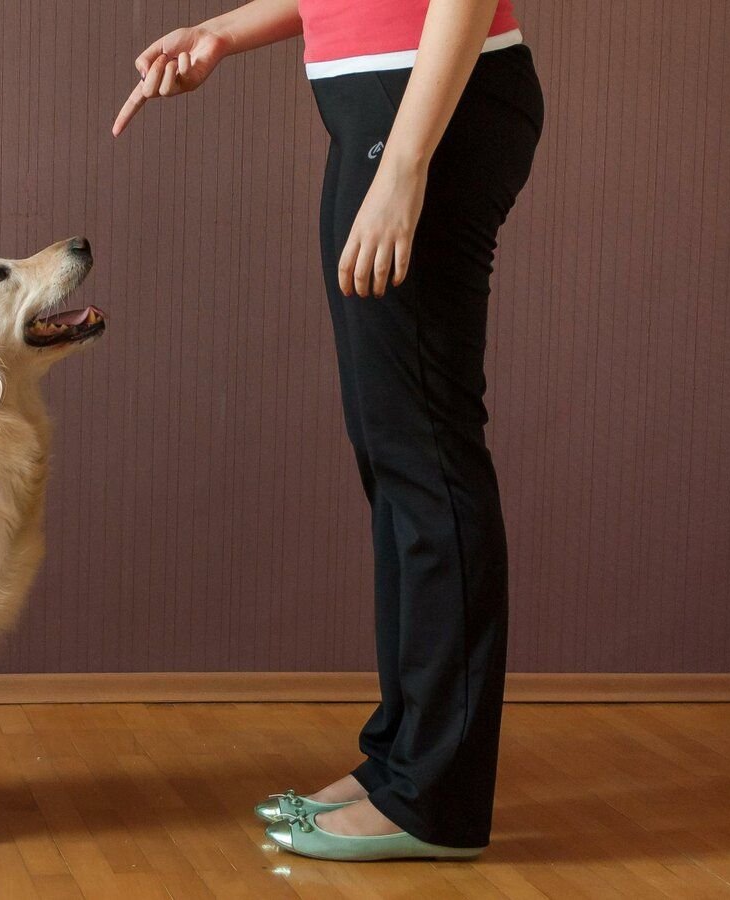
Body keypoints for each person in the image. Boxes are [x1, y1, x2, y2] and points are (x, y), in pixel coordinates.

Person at [114, 0, 543, 862]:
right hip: (384, 109)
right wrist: (225, 33)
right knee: (393, 453)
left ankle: (435, 798)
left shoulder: (416, 142)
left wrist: (406, 166)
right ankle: (401, 760)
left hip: (425, 111)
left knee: (425, 454)